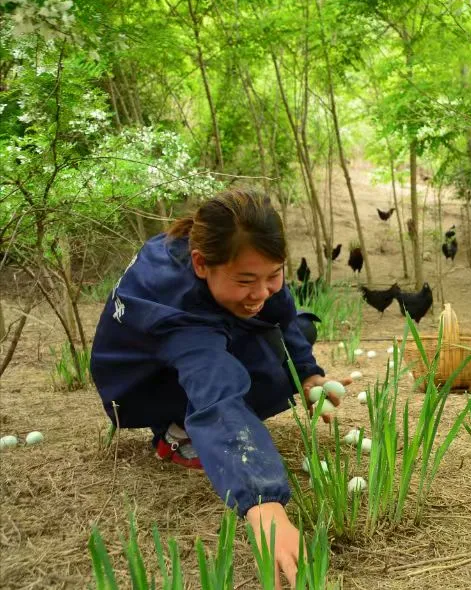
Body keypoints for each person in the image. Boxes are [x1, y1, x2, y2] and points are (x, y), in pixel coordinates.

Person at [90, 189, 347, 583]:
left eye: (273, 275)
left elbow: (282, 313)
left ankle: (196, 418)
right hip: (138, 382)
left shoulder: (229, 258)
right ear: (200, 264)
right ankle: (177, 432)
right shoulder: (176, 306)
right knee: (260, 376)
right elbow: (217, 393)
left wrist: (309, 373)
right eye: (246, 280)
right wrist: (263, 504)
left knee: (295, 337)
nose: (261, 291)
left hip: (194, 337)